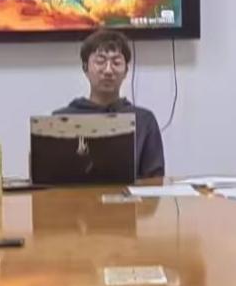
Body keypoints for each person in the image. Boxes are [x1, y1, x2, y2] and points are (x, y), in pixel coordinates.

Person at [55, 28, 165, 178]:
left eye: (116, 62)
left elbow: (155, 180)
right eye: (100, 61)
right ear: (85, 68)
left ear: (126, 71)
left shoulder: (144, 120)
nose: (108, 70)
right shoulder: (62, 119)